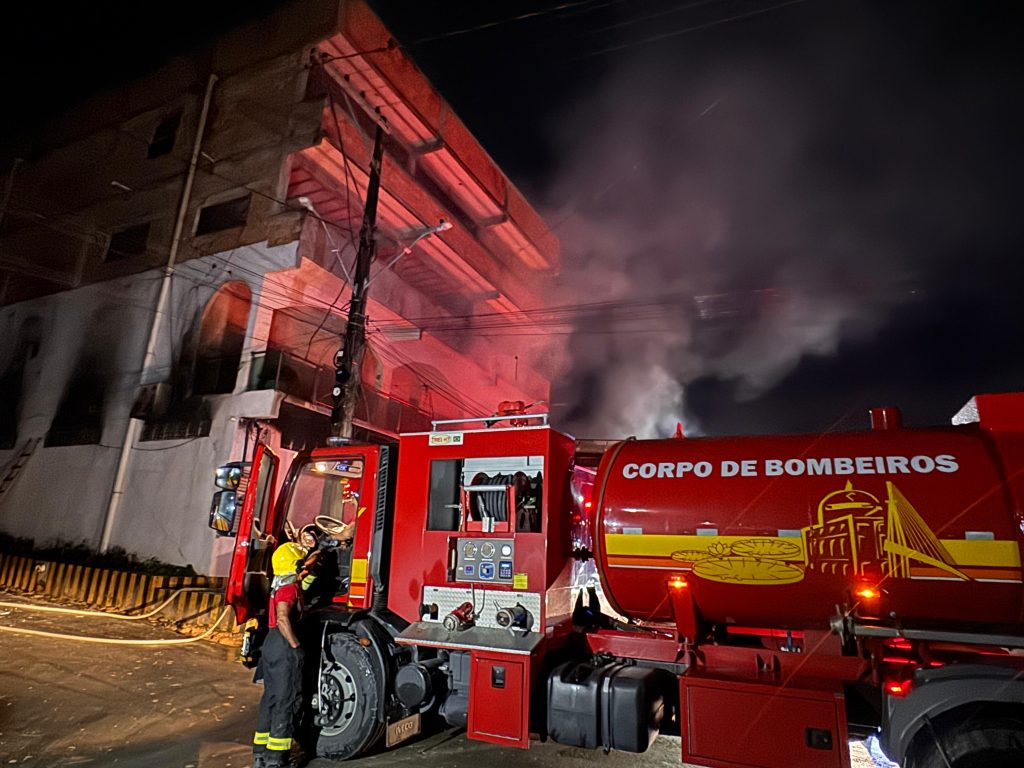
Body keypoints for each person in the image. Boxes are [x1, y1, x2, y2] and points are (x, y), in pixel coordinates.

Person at [252, 541, 307, 768]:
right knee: (286, 701)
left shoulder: (278, 585)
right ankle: (276, 759)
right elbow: (284, 618)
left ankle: (260, 754)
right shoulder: (290, 588)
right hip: (283, 644)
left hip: (270, 643)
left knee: (270, 699)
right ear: (294, 564)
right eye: (300, 563)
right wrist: (296, 646)